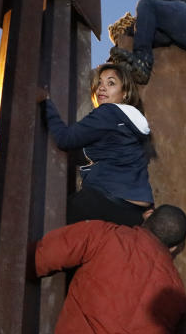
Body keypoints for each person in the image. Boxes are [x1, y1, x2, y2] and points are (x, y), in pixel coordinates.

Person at [34, 205, 186, 334]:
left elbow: (45, 255)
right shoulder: (179, 297)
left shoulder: (107, 235)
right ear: (174, 248)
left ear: (147, 218)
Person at [41, 62, 152, 226]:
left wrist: (45, 102)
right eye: (100, 82)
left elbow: (64, 139)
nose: (101, 88)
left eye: (111, 83)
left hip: (106, 202)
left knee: (54, 217)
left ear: (125, 93)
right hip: (135, 214)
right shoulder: (132, 125)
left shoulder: (108, 112)